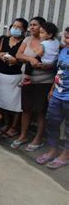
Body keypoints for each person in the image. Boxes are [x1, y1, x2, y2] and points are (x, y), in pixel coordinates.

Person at [12, 17, 55, 152]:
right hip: (27, 80)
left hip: (44, 81)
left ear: (42, 28)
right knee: (26, 109)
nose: (31, 27)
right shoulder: (27, 39)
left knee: (40, 111)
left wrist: (46, 66)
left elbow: (55, 61)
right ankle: (23, 135)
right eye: (30, 25)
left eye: (34, 25)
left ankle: (38, 138)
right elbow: (18, 55)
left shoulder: (50, 43)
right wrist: (30, 58)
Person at [36, 27, 69, 169]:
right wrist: (52, 89)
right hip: (57, 94)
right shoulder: (63, 51)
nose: (67, 41)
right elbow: (58, 72)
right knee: (52, 122)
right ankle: (53, 149)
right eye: (66, 38)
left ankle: (66, 154)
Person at [0, 18, 27, 138]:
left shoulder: (24, 42)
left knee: (16, 103)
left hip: (16, 76)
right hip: (1, 75)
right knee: (3, 101)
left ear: (24, 30)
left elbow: (25, 60)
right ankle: (6, 123)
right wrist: (0, 55)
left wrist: (16, 61)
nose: (16, 29)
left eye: (19, 27)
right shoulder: (5, 39)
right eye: (14, 26)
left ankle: (14, 127)